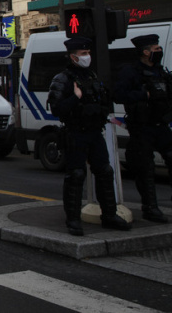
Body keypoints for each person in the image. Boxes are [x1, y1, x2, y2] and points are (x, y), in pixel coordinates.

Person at [47, 36, 132, 236]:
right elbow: (57, 109)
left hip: (94, 132)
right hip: (76, 133)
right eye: (83, 54)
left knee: (104, 171)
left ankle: (109, 214)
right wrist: (75, 98)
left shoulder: (92, 77)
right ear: (73, 57)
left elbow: (104, 100)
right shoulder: (63, 79)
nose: (87, 57)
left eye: (88, 53)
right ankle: (73, 220)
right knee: (75, 175)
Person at [114, 34, 172, 223]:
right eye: (156, 49)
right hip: (142, 127)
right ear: (146, 52)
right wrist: (144, 94)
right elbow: (118, 94)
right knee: (145, 169)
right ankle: (150, 207)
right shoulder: (131, 72)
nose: (159, 52)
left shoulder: (160, 71)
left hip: (161, 125)